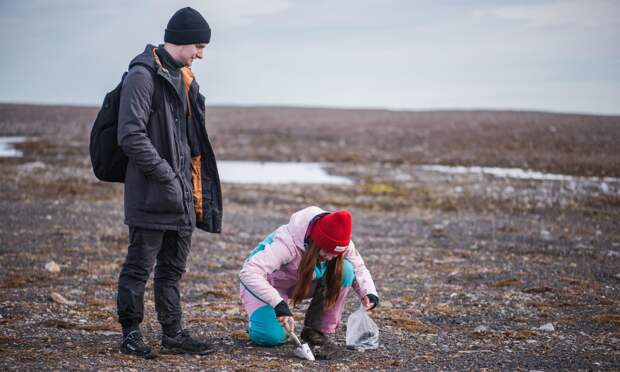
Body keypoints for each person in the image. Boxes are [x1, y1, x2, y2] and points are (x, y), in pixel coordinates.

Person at [115, 7, 223, 358]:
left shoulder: (185, 78)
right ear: (182, 40)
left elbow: (190, 141)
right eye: (198, 46)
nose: (201, 54)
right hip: (151, 195)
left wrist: (188, 189)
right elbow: (130, 136)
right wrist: (166, 177)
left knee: (172, 271)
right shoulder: (142, 76)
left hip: (182, 197)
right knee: (138, 268)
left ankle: (172, 333)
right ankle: (131, 335)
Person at [239, 206, 379, 359]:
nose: (330, 257)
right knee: (270, 338)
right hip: (267, 284)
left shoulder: (340, 242)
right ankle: (257, 323)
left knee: (345, 270)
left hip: (300, 283)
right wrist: (278, 304)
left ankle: (315, 330)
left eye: (336, 253)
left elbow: (359, 267)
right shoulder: (286, 242)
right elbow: (249, 272)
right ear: (315, 242)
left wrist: (369, 292)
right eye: (326, 251)